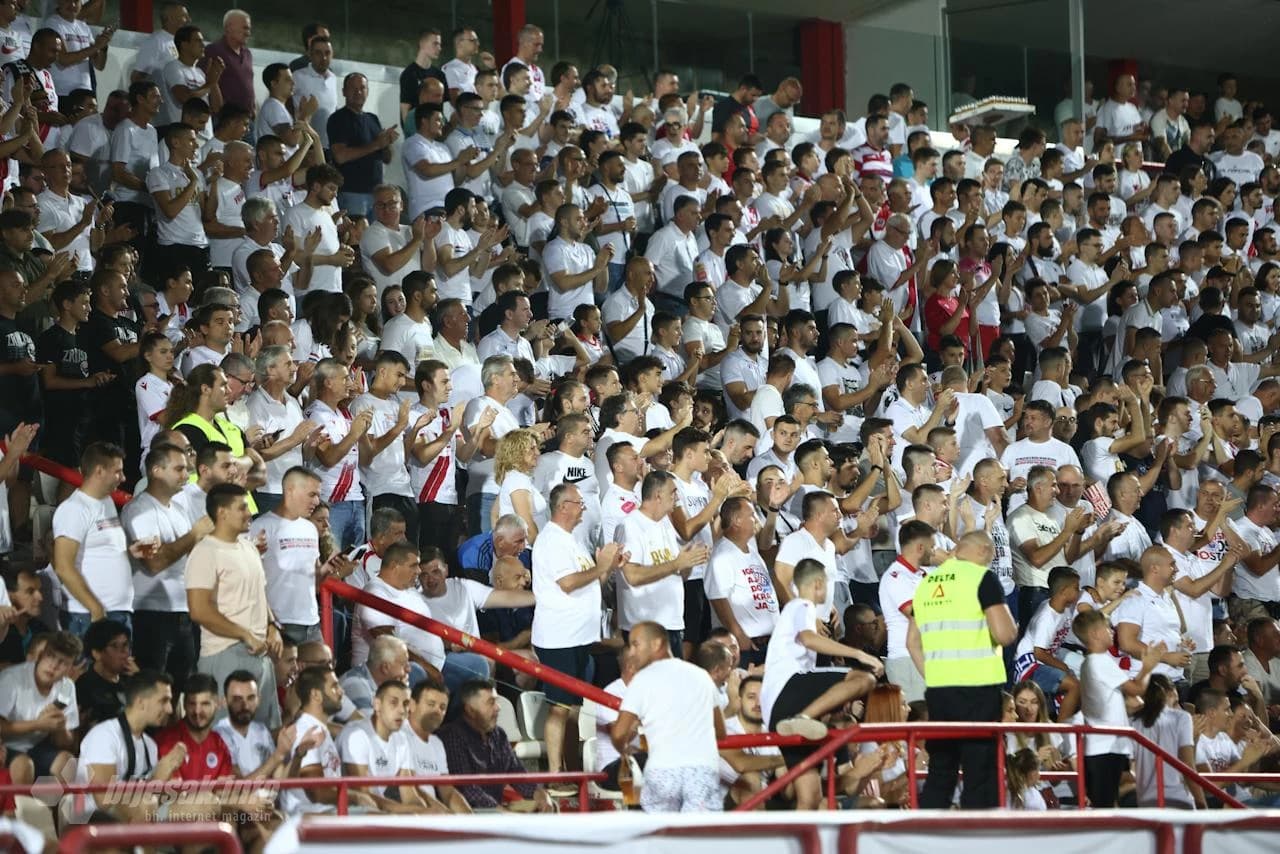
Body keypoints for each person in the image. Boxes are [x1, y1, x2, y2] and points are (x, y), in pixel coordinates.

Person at [906, 531, 1016, 809]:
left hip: (939, 691)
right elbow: (1004, 634)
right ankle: (978, 840)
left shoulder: (927, 583)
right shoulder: (981, 578)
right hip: (978, 690)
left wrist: (934, 675)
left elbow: (912, 643)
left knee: (941, 770)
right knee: (980, 772)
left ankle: (929, 839)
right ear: (983, 551)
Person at [762, 558, 882, 809]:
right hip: (789, 691)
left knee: (811, 798)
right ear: (818, 584)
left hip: (777, 709)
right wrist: (858, 654)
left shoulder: (791, 611)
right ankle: (804, 719)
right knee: (864, 678)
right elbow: (807, 638)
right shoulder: (801, 605)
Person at [531, 483, 625, 775]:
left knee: (571, 708)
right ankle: (556, 773)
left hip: (578, 636)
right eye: (579, 502)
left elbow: (588, 583)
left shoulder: (571, 540)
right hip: (560, 638)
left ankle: (569, 769)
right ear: (562, 507)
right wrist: (601, 566)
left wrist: (610, 567)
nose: (583, 506)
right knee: (559, 707)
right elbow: (568, 583)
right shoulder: (552, 541)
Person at [186, 482, 283, 728]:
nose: (250, 512)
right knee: (225, 736)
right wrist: (244, 634)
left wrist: (272, 626)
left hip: (260, 653)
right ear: (222, 512)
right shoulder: (205, 552)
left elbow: (259, 595)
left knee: (266, 734)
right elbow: (198, 610)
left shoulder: (249, 548)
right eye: (242, 507)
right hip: (224, 652)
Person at [611, 621, 725, 813]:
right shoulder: (702, 676)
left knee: (662, 839)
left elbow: (618, 734)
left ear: (657, 644)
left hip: (662, 771)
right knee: (702, 839)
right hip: (702, 770)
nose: (631, 652)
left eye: (636, 644)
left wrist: (623, 749)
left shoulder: (642, 680)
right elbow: (720, 732)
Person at [1075, 607, 1164, 808]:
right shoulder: (1099, 662)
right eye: (1108, 628)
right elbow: (1136, 689)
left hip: (1108, 745)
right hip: (1105, 746)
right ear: (1095, 634)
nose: (1113, 632)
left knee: (1112, 803)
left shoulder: (1095, 662)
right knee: (1105, 807)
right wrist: (1147, 667)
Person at [438, 679, 556, 811]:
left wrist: (540, 794)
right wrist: (500, 812)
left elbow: (516, 772)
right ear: (470, 710)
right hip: (468, 813)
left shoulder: (498, 735)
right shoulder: (452, 736)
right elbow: (466, 789)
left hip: (495, 810)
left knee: (549, 805)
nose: (498, 708)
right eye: (491, 702)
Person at [0, 630, 80, 786]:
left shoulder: (67, 687)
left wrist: (60, 728)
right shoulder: (12, 678)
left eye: (62, 662)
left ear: (70, 668)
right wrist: (38, 724)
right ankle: (22, 811)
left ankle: (52, 810)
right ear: (41, 655)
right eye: (50, 656)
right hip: (6, 746)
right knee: (24, 765)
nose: (54, 666)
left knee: (67, 763)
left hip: (38, 747)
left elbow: (67, 744)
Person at [337, 679, 430, 812]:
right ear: (377, 705)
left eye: (405, 704)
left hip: (380, 811)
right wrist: (411, 812)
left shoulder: (401, 739)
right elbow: (363, 794)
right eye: (393, 703)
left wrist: (425, 813)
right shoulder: (357, 735)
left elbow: (409, 794)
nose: (401, 710)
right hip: (349, 811)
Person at [401, 677, 472, 813]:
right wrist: (446, 817)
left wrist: (469, 819)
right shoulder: (398, 736)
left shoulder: (436, 743)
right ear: (412, 705)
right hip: (409, 816)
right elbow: (414, 789)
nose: (437, 711)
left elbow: (448, 792)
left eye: (442, 707)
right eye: (431, 704)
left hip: (433, 816)